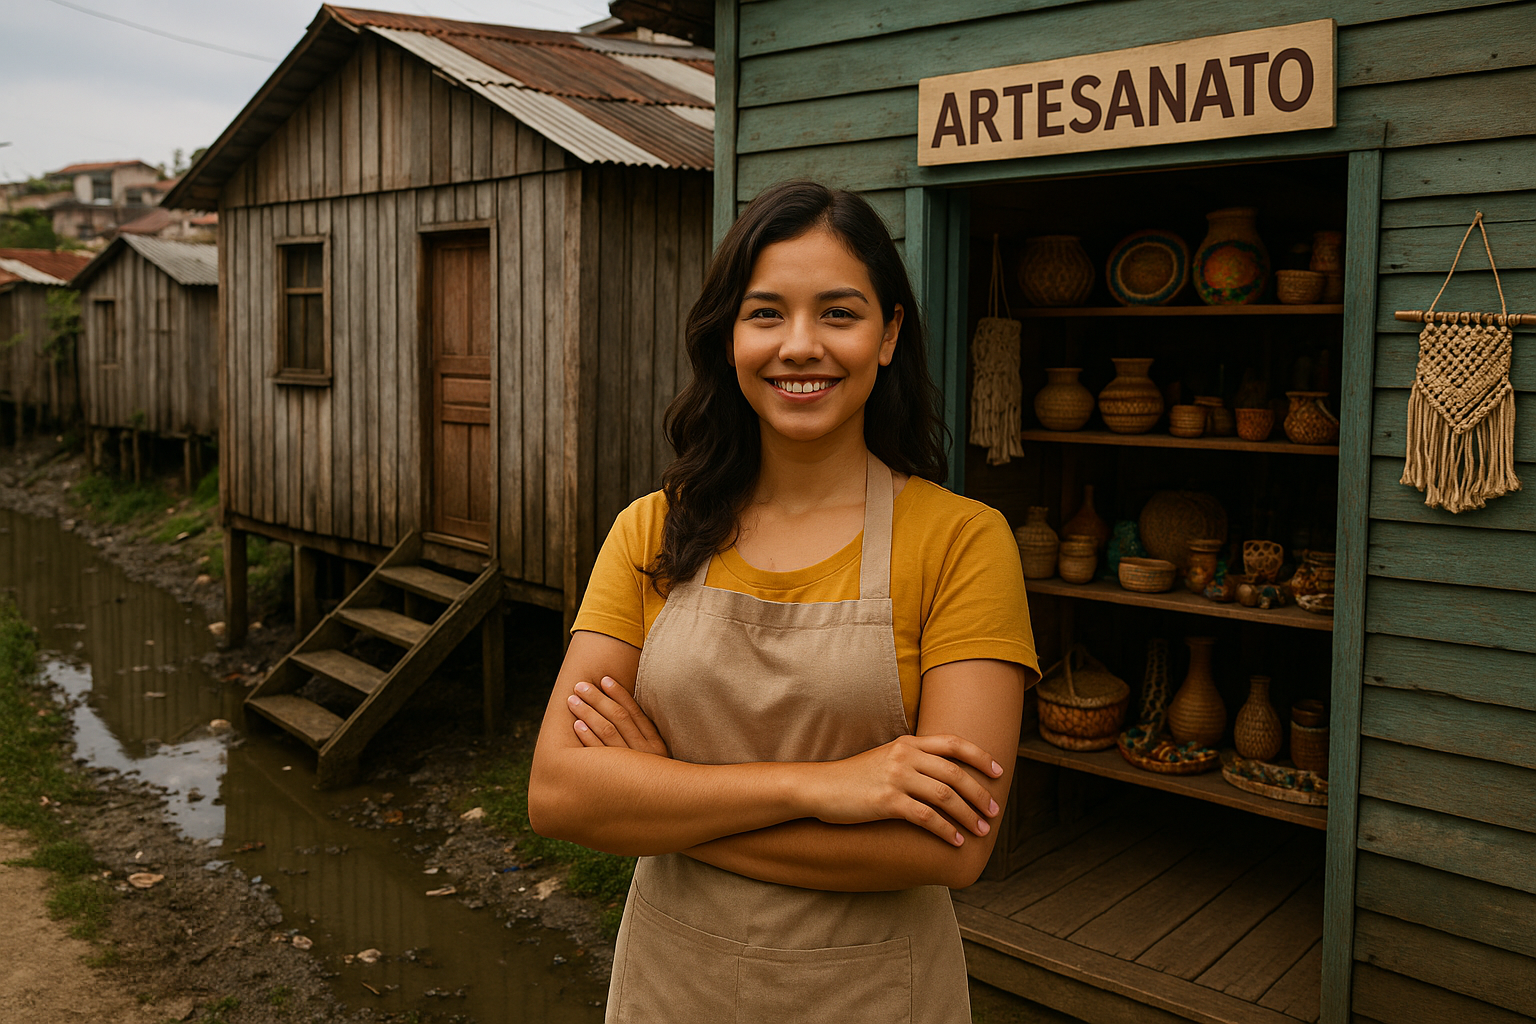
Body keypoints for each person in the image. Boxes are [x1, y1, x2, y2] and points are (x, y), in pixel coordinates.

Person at [528, 180, 1038, 1023]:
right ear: (729, 336)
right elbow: (558, 793)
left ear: (889, 334)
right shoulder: (653, 530)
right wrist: (822, 787)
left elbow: (951, 847)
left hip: (874, 998)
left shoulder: (961, 542)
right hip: (670, 990)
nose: (800, 346)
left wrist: (660, 799)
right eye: (765, 313)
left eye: (838, 313)